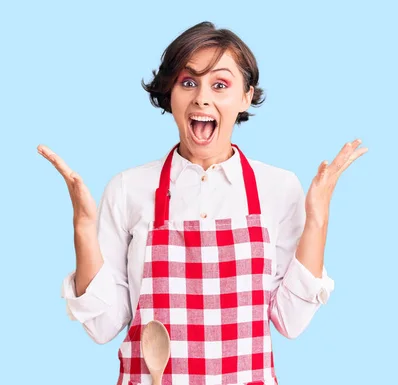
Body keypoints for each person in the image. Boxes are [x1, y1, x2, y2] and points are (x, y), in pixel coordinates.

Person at [38, 21, 367, 385]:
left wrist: (317, 219)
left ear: (245, 97)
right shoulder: (128, 188)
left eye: (220, 85)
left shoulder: (278, 187)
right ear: (171, 94)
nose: (202, 98)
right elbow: (103, 326)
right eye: (188, 82)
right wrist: (83, 226)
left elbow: (290, 321)